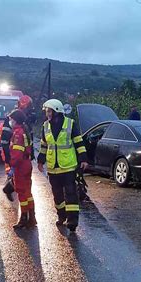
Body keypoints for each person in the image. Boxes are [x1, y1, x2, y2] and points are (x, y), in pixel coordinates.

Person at [37, 99, 88, 232]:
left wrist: (83, 159)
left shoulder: (70, 124)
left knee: (71, 193)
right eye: (46, 111)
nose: (47, 113)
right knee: (57, 195)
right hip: (53, 168)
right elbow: (44, 145)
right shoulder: (45, 126)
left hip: (68, 166)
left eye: (49, 111)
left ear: (56, 111)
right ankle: (61, 216)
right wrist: (40, 160)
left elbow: (78, 142)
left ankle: (72, 220)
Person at [8, 109, 36, 229]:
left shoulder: (18, 133)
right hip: (26, 163)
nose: (10, 121)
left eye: (11, 119)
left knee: (21, 192)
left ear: (15, 120)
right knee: (27, 192)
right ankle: (31, 217)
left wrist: (12, 167)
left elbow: (17, 154)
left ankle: (24, 218)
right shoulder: (24, 130)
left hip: (20, 166)